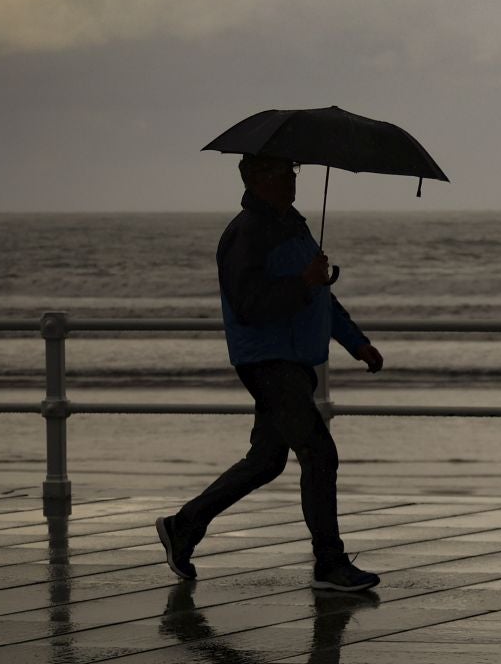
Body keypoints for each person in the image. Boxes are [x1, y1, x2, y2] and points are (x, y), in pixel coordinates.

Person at [155, 154, 383, 591]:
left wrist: (356, 342)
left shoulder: (294, 226)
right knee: (318, 452)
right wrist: (304, 282)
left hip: (295, 362)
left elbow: (320, 296)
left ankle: (184, 525)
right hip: (267, 361)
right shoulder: (246, 234)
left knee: (266, 461)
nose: (290, 182)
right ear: (255, 178)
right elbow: (249, 304)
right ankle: (329, 563)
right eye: (280, 174)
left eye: (292, 173)